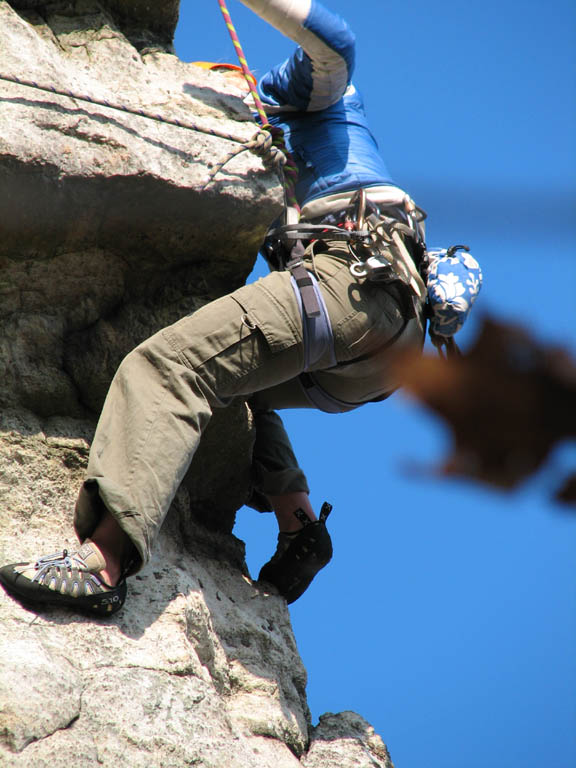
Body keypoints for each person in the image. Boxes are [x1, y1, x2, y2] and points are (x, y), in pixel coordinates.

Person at [0, 0, 439, 615]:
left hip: (349, 286)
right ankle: (299, 525)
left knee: (168, 367)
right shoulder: (324, 152)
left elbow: (334, 44)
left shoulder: (320, 98)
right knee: (240, 383)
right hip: (382, 343)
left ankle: (102, 564)